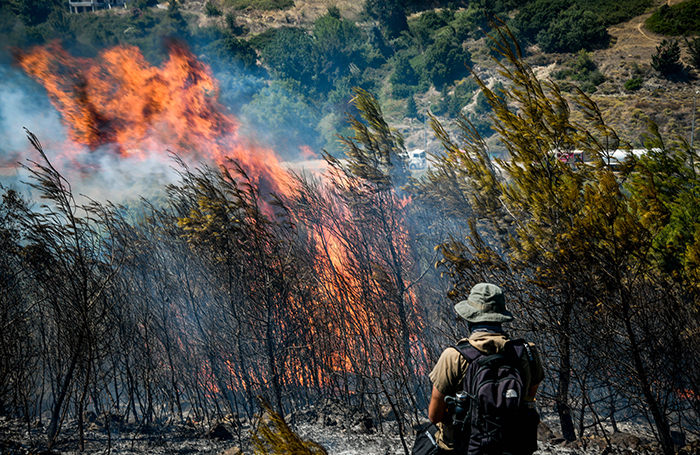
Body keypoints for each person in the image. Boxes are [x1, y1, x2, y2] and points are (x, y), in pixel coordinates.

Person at [428, 283, 545, 454]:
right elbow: (528, 399)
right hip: (513, 448)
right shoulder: (528, 352)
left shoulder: (454, 356)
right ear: (501, 317)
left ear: (470, 317)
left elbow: (434, 416)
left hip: (466, 448)